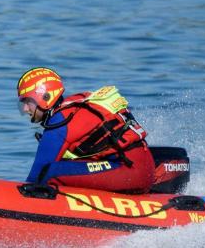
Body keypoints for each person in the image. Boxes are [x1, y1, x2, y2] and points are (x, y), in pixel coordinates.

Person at [17, 67, 154, 193]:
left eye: (28, 101)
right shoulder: (74, 106)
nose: (25, 109)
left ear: (45, 97)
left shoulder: (59, 122)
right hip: (141, 168)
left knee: (48, 172)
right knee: (63, 166)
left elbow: (36, 176)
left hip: (130, 171)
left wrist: (18, 197)